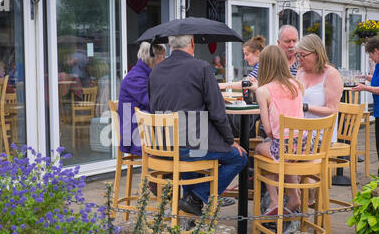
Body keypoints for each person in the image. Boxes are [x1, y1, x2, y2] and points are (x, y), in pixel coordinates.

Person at [149, 34, 248, 216]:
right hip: (189, 147)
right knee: (239, 157)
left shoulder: (156, 70)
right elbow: (218, 112)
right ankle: (195, 197)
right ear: (192, 43)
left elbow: (153, 106)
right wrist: (229, 140)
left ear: (170, 46)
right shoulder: (201, 67)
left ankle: (189, 215)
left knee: (194, 148)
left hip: (162, 147)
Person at [254, 45, 305, 215]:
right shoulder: (297, 85)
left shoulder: (263, 90)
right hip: (305, 148)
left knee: (260, 149)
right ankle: (293, 196)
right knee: (283, 149)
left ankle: (274, 201)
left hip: (285, 148)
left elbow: (268, 130)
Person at [295, 34, 343, 206]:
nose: (299, 60)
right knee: (274, 148)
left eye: (302, 55)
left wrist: (306, 107)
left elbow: (331, 109)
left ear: (316, 53)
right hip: (300, 130)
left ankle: (298, 201)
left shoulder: (331, 74)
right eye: (297, 56)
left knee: (289, 157)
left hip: (321, 133)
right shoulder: (300, 72)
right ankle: (290, 199)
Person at [118, 41, 166, 156]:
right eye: (163, 57)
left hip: (145, 127)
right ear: (152, 58)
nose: (165, 60)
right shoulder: (136, 77)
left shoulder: (145, 74)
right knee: (180, 141)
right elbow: (152, 102)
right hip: (136, 134)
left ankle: (172, 172)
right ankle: (171, 171)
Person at [352, 36, 379, 170]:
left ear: (376, 51)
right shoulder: (378, 65)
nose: (371, 58)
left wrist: (364, 87)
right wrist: (367, 77)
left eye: (371, 55)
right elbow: (376, 80)